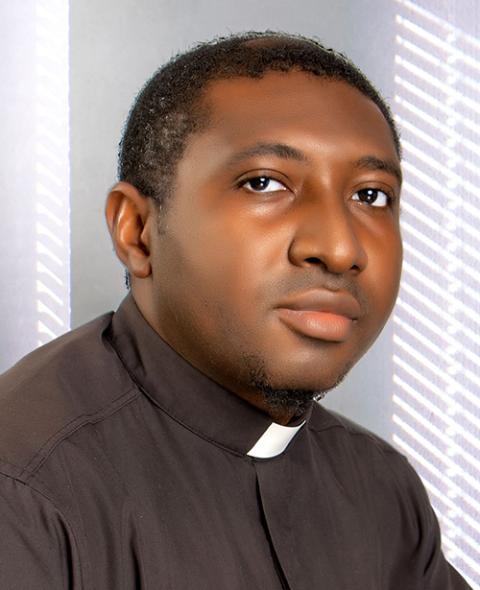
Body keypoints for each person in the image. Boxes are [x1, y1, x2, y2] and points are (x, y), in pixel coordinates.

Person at [0, 31, 471, 589]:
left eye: (370, 195)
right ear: (139, 231)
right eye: (265, 183)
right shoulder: (24, 495)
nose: (341, 248)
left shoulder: (380, 487)